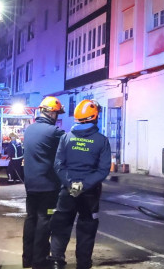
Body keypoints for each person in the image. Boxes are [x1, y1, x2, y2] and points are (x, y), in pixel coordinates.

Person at [48, 99, 111, 269]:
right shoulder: (102, 141)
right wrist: (83, 185)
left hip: (67, 192)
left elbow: (58, 165)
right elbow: (103, 170)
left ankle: (56, 261)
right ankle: (83, 264)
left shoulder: (66, 138)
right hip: (89, 194)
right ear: (94, 117)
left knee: (61, 226)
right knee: (86, 230)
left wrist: (70, 184)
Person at [21, 96, 66, 269]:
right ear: (51, 113)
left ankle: (28, 259)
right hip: (48, 187)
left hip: (31, 185)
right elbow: (70, 142)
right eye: (56, 113)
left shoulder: (29, 129)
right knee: (45, 220)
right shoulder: (54, 132)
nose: (57, 117)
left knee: (31, 219)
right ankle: (40, 261)